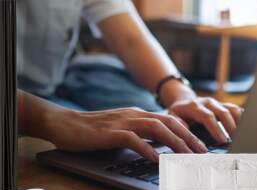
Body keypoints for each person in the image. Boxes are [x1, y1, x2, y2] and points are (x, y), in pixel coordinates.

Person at [17, 0, 242, 162]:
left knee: (156, 120)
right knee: (103, 145)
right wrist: (56, 120)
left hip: (60, 75)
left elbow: (130, 38)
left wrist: (182, 95)